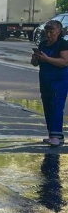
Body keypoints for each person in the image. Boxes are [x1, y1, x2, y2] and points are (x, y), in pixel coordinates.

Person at [31, 19, 68, 147]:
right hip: (45, 79)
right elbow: (35, 64)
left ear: (58, 31)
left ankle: (57, 136)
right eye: (47, 31)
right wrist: (35, 58)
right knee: (47, 106)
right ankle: (51, 134)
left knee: (56, 106)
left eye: (51, 31)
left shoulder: (62, 44)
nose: (49, 34)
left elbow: (64, 62)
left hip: (59, 80)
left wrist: (47, 59)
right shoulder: (43, 44)